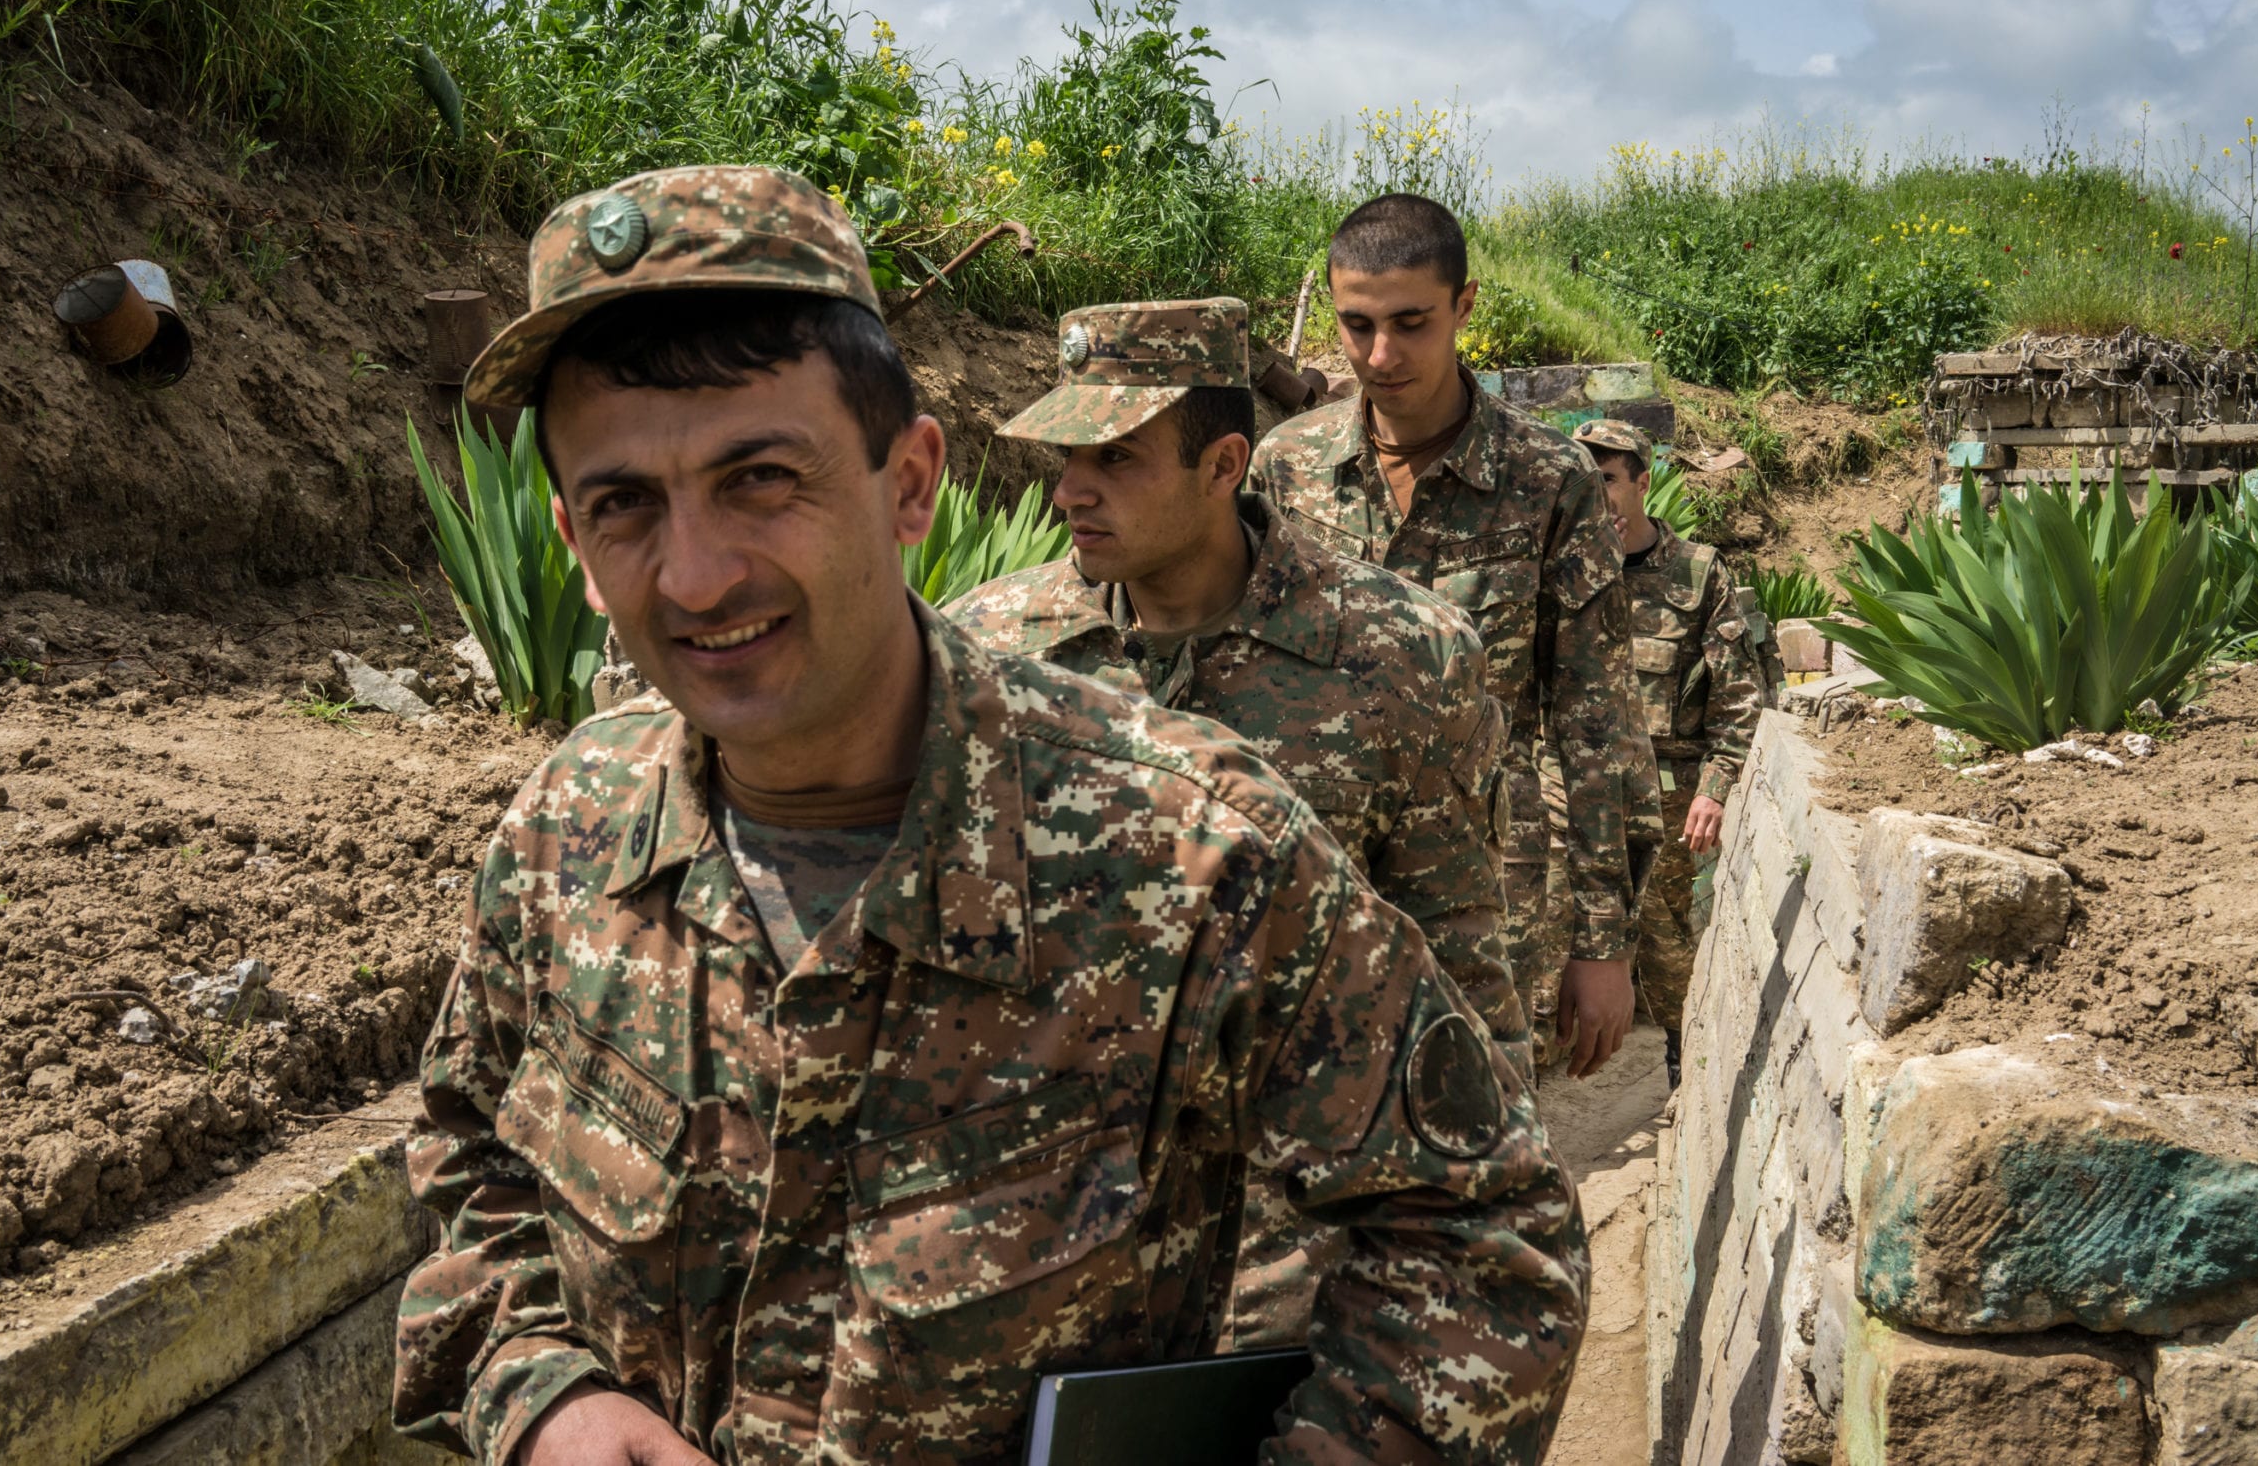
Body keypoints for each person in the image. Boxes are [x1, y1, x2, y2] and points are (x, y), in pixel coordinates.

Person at [388, 166, 1587, 1466]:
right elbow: (469, 1160)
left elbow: (1487, 1240)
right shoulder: (568, 831)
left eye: (761, 480)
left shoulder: (1194, 853)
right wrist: (545, 1394)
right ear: (568, 533)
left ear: (910, 486)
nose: (693, 574)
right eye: (626, 505)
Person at [947, 295, 1520, 1349]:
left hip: (1288, 1257)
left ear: (1223, 465)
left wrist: (1466, 1252)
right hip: (1040, 1244)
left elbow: (1461, 973)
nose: (1070, 491)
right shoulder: (986, 652)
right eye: (1065, 456)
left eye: (1115, 457)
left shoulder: (1401, 655)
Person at [1250, 193, 1662, 1080]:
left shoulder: (1550, 481)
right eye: (1356, 326)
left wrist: (1604, 941)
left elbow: (1597, 720)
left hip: (1484, 897)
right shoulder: (1284, 470)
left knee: (1479, 1156)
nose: (1381, 355)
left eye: (1410, 323)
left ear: (1464, 307)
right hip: (1306, 881)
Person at [1572, 419, 1765, 1088]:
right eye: (1583, 485)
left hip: (1667, 796)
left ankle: (1690, 1075)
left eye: (1606, 483)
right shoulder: (1562, 570)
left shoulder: (1697, 572)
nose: (1596, 501)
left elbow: (1740, 696)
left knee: (1667, 948)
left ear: (1643, 482)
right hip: (1573, 789)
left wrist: (1714, 787)